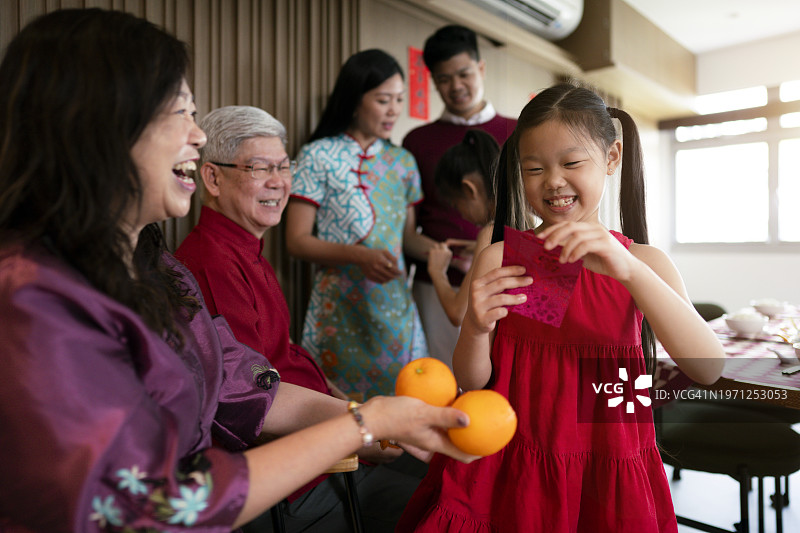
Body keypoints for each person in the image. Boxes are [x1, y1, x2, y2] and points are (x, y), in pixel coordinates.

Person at [0, 10, 475, 532]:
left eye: (282, 167)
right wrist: (361, 425)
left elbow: (239, 381)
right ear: (95, 124)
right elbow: (147, 510)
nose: (198, 134)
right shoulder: (29, 296)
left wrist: (373, 418)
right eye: (178, 112)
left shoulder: (156, 269)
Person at [397, 82, 726, 532]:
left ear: (611, 158)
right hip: (509, 460)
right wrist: (474, 327)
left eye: (572, 163)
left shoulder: (645, 263)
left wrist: (629, 270)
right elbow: (473, 381)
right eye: (534, 169)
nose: (552, 181)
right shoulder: (501, 258)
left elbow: (707, 368)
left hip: (607, 461)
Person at [175, 105, 423, 532]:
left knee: (443, 480)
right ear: (212, 178)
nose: (278, 181)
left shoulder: (246, 245)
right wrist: (359, 425)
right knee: (440, 508)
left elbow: (284, 354)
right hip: (292, 482)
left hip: (326, 450)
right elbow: (251, 401)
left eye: (284, 165)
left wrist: (352, 406)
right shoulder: (209, 263)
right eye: (259, 168)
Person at [285, 49, 435, 400]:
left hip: (395, 311)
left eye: (399, 99)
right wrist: (359, 256)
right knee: (340, 418)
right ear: (354, 100)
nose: (394, 110)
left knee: (402, 415)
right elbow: (296, 240)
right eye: (384, 100)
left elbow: (408, 238)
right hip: (338, 313)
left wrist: (444, 252)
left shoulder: (403, 162)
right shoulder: (317, 156)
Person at [402, 24, 517, 365]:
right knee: (444, 375)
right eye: (443, 79)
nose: (455, 87)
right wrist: (443, 258)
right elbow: (407, 234)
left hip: (503, 275)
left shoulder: (517, 131)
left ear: (481, 68)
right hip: (434, 284)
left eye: (464, 74)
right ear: (432, 82)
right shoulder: (416, 141)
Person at [425, 130, 499, 350]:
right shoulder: (523, 217)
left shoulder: (490, 232)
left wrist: (437, 272)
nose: (462, 216)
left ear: (469, 189)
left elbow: (457, 313)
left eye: (457, 206)